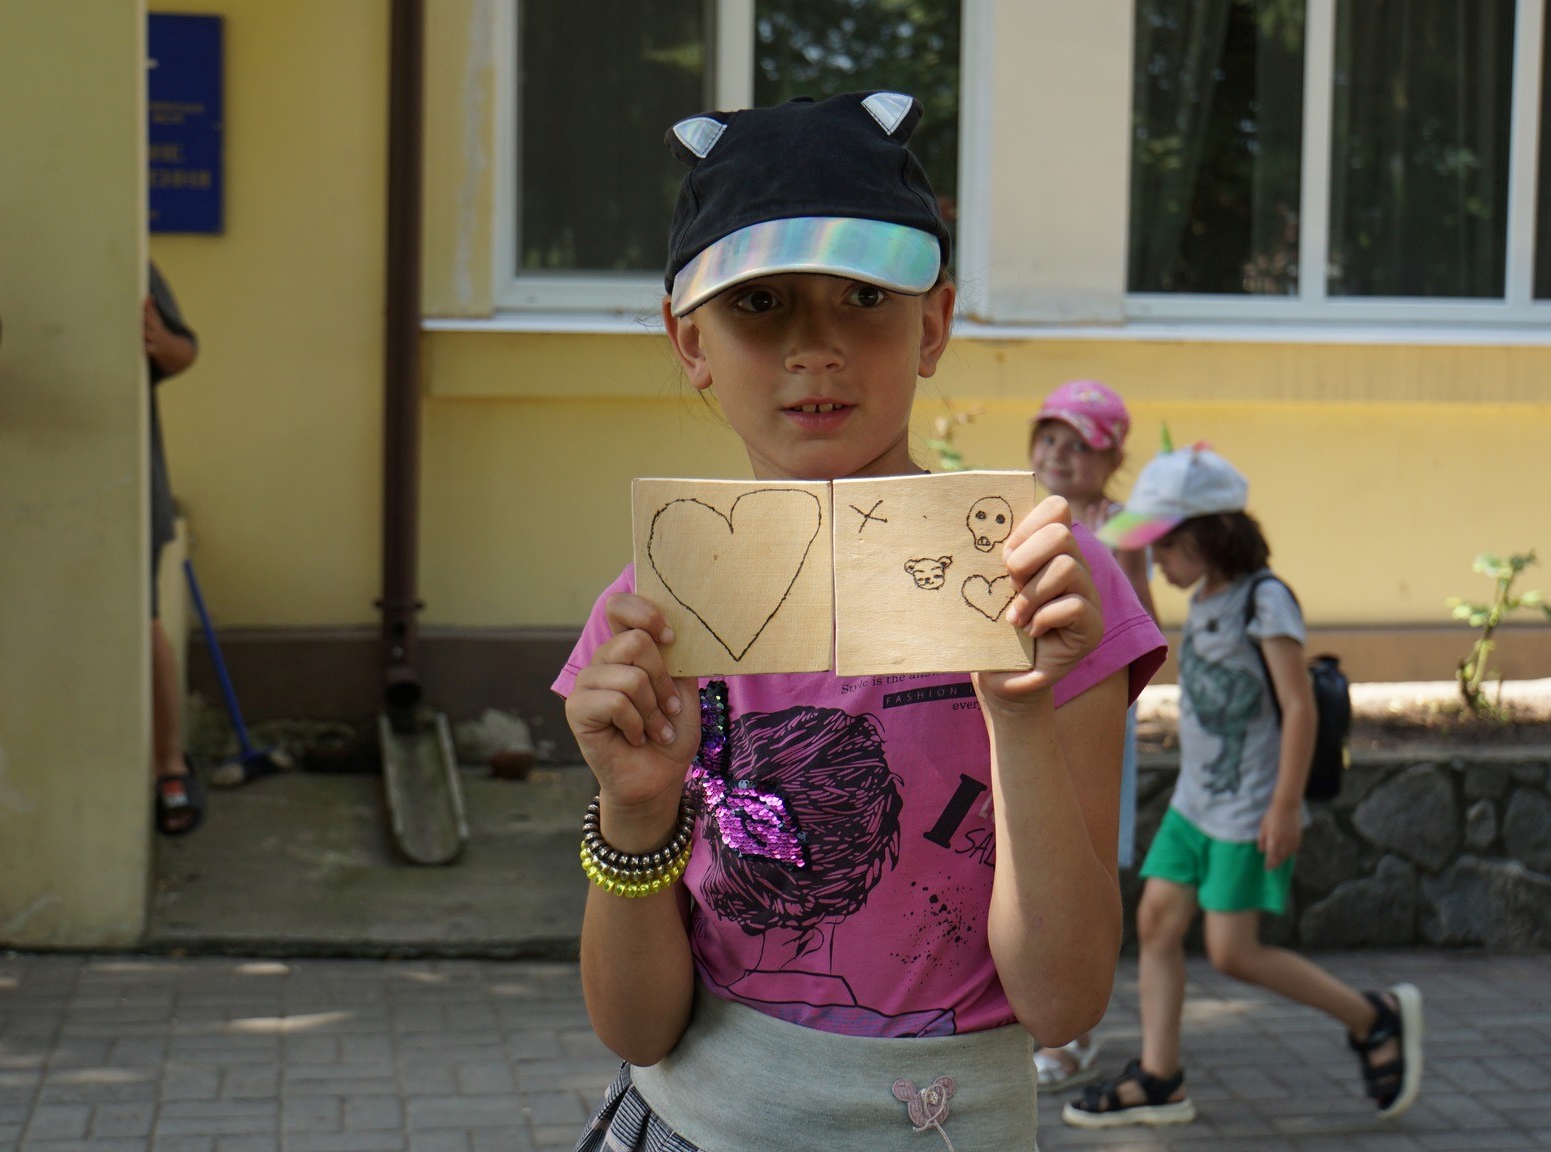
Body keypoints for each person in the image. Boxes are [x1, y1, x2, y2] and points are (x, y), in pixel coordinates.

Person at [554, 91, 1167, 1148]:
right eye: (758, 305)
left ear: (930, 322)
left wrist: (1018, 720)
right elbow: (635, 1027)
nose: (815, 347)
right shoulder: (652, 617)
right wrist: (636, 813)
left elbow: (1063, 1003)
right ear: (685, 339)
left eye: (860, 296)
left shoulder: (1047, 593)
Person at [1064, 444, 1423, 1127]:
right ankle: (1160, 1076)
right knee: (1157, 924)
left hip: (1247, 809)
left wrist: (1284, 805)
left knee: (1234, 952)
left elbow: (1299, 707)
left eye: (1165, 547)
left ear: (1208, 534)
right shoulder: (1206, 596)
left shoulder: (1266, 599)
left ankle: (1372, 1016)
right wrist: (1134, 565)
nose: (1162, 562)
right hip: (1194, 803)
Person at [1025, 380, 1157, 1093]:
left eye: (1079, 445)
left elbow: (1142, 623)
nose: (1059, 455)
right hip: (1027, 715)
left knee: (1084, 856)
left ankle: (1074, 1032)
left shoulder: (1120, 528)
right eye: (1049, 438)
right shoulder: (1018, 518)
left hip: (1096, 717)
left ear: (1111, 460)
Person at [142, 264, 203, 835]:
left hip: (130, 492)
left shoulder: (130, 263)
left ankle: (169, 766)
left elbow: (184, 349)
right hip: (35, 496)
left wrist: (162, 344)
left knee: (142, 621)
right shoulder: (11, 266)